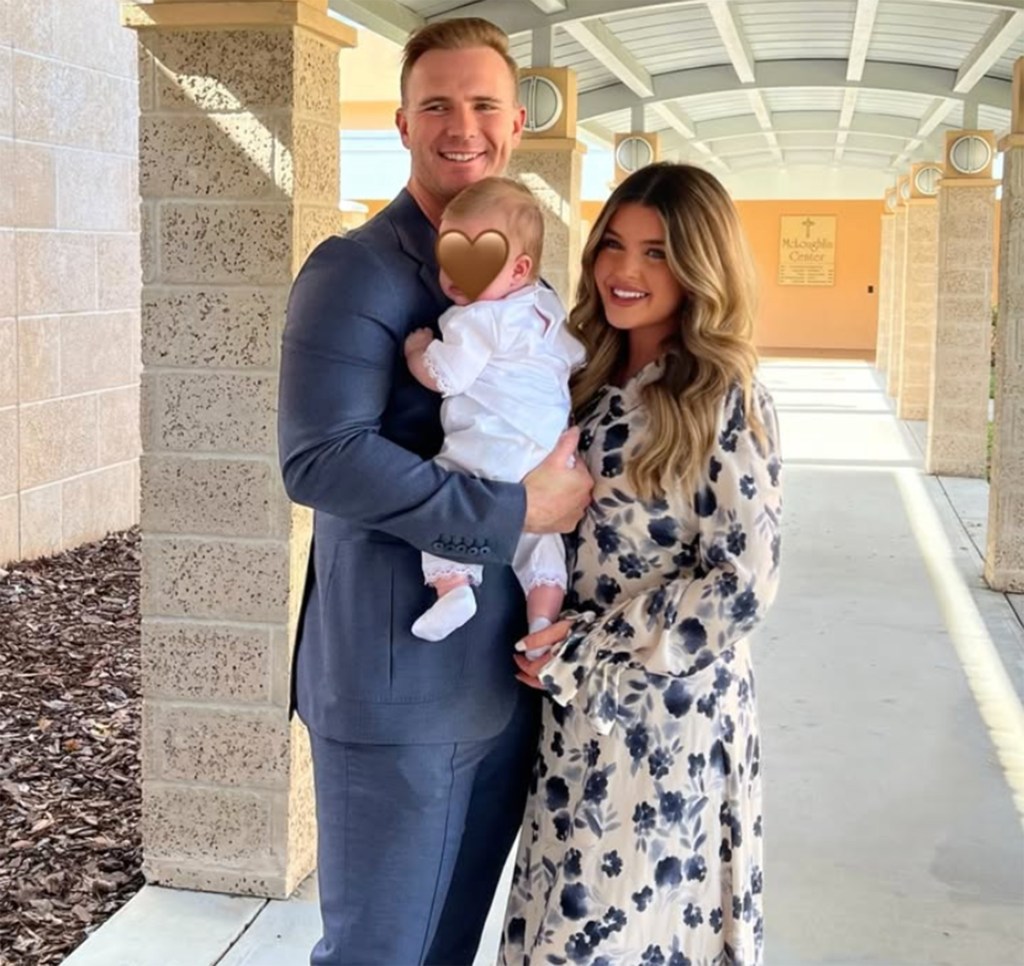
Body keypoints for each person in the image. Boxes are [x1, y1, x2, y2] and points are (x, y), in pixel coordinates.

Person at [276, 18, 592, 966]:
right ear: (403, 123)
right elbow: (320, 458)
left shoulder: (519, 265)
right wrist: (515, 513)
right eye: (438, 105)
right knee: (381, 952)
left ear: (515, 123)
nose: (464, 126)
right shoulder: (356, 270)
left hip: (500, 683)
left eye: (485, 104)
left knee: (447, 948)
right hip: (397, 696)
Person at [499, 162, 783, 965]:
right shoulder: (578, 370)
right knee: (554, 917)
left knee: (614, 939)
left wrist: (588, 643)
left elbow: (744, 585)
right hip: (569, 716)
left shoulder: (726, 394)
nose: (625, 271)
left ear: (701, 263)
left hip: (668, 724)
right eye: (613, 246)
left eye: (657, 253)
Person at [404, 177, 586, 642]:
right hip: (546, 453)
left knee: (447, 495)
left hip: (489, 450)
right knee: (541, 539)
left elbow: (448, 378)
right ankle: (541, 617)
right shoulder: (546, 307)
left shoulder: (480, 319)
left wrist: (417, 353)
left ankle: (453, 586)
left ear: (519, 268)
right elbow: (573, 359)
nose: (454, 274)